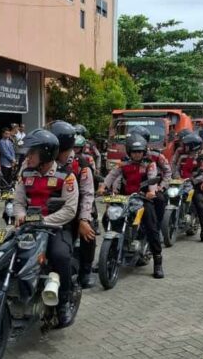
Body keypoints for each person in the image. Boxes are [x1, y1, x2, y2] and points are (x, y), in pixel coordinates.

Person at [13, 129, 79, 327]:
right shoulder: (25, 174)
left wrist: (44, 220)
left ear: (46, 153)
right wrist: (20, 215)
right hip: (28, 227)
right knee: (5, 251)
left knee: (60, 256)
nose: (28, 156)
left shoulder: (66, 176)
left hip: (56, 228)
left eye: (32, 152)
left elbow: (69, 210)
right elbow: (18, 201)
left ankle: (63, 303)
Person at [101, 134, 164, 279]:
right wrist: (103, 186)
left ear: (144, 152)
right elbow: (111, 175)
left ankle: (158, 261)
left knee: (151, 226)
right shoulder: (123, 164)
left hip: (142, 199)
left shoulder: (150, 164)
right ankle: (108, 254)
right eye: (134, 151)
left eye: (140, 151)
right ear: (129, 151)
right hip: (124, 198)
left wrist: (151, 191)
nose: (137, 154)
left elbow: (152, 179)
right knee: (107, 218)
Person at [49, 121, 98, 289]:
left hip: (74, 211)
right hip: (45, 212)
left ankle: (86, 271)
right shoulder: (39, 160)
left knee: (88, 233)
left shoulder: (81, 164)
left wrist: (83, 219)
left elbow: (87, 193)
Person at [129, 125, 172, 233]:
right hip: (133, 189)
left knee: (160, 200)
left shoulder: (156, 155)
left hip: (152, 188)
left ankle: (156, 228)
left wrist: (161, 186)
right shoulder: (128, 157)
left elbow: (167, 171)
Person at [173, 134, 203, 242]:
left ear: (193, 146)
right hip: (180, 182)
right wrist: (177, 178)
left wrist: (193, 181)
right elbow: (175, 166)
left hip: (195, 183)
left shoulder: (202, 156)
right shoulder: (181, 154)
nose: (184, 147)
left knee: (199, 203)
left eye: (187, 145)